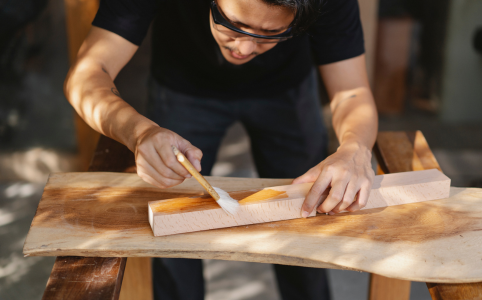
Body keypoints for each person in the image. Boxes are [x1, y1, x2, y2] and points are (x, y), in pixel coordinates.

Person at [64, 0, 378, 299]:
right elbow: (86, 75)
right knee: (174, 229)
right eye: (232, 24)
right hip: (183, 84)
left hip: (287, 88)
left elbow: (351, 92)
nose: (244, 48)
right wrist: (140, 132)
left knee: (308, 215)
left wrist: (356, 147)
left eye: (271, 34)